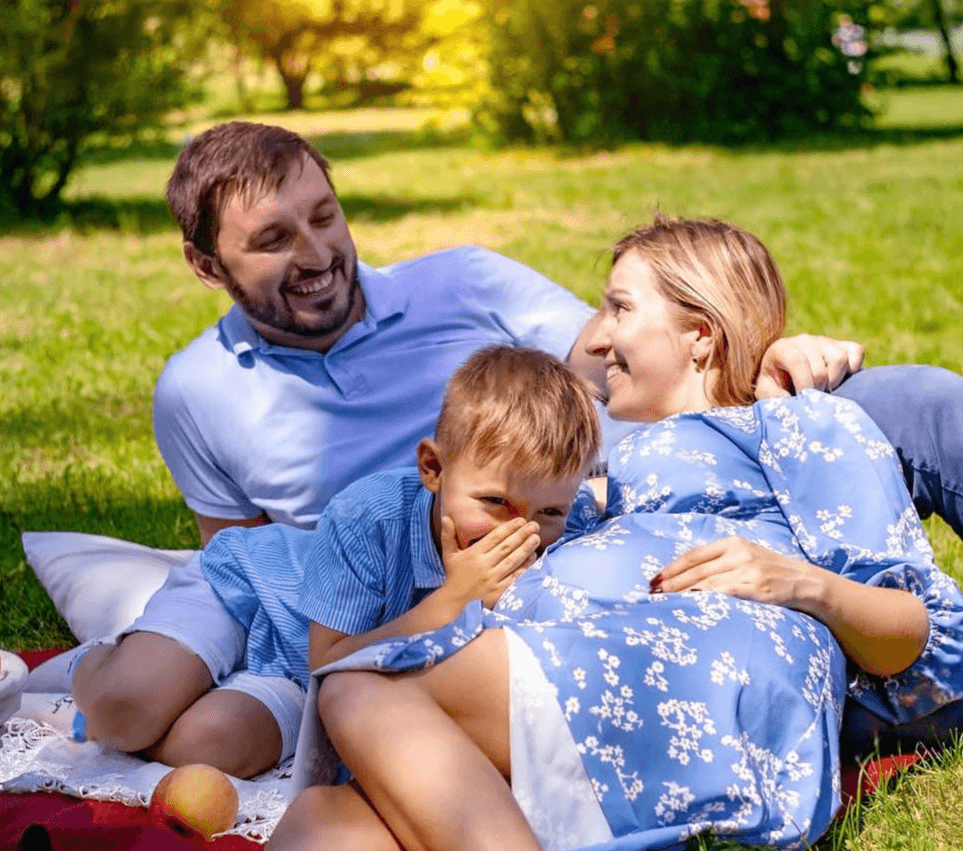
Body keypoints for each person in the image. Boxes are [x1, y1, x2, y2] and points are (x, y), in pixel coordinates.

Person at [270, 216, 963, 851]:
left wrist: (799, 582)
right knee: (322, 824)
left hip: (690, 684)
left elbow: (919, 637)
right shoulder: (605, 473)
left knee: (357, 691)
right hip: (576, 694)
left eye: (620, 307)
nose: (595, 335)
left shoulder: (797, 423)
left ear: (701, 335)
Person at [154, 121, 963, 548]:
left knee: (918, 404)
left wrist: (763, 354)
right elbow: (245, 570)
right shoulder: (196, 394)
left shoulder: (461, 280)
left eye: (325, 216)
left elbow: (613, 353)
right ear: (204, 263)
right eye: (272, 240)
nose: (317, 254)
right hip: (530, 563)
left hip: (651, 461)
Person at [71, 345, 600, 779]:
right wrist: (452, 601)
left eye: (549, 510)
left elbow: (320, 679)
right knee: (124, 713)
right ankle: (95, 660)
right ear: (433, 468)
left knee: (208, 747)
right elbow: (330, 656)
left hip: (305, 681)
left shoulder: (558, 529)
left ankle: (193, 685)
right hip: (256, 599)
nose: (522, 530)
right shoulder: (368, 516)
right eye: (496, 502)